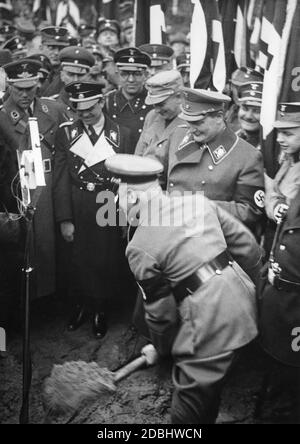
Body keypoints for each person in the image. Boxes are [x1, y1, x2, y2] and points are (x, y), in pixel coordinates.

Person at [105, 153, 261, 424]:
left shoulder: (139, 246)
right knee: (209, 390)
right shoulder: (197, 202)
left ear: (131, 197)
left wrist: (161, 348)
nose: (117, 205)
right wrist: (249, 293)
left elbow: (161, 314)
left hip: (209, 325)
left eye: (118, 197)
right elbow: (248, 249)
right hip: (244, 302)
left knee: (186, 413)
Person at [53, 81, 134, 338]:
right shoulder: (66, 133)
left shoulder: (123, 133)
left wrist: (124, 216)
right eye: (79, 110)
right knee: (76, 257)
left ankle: (101, 308)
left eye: (90, 108)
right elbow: (61, 177)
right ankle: (80, 305)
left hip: (107, 200)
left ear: (101, 102)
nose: (86, 114)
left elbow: (129, 178)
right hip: (78, 201)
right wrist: (65, 217)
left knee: (105, 258)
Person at [0, 59, 66, 301]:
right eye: (19, 89)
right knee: (27, 245)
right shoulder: (3, 117)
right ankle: (29, 300)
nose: (26, 94)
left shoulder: (52, 110)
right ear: (9, 85)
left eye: (31, 87)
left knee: (53, 242)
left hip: (52, 184)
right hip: (19, 189)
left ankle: (52, 295)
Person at [155, 88, 265, 232]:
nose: (191, 129)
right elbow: (158, 179)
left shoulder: (247, 156)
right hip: (169, 231)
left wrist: (200, 207)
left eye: (198, 122)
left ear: (219, 117)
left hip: (209, 238)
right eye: (189, 121)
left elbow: (250, 211)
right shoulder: (178, 135)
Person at [104, 47, 152, 152]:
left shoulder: (153, 102)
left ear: (146, 75)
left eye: (137, 74)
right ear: (117, 74)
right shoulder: (107, 101)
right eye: (125, 74)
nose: (131, 80)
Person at [135, 69, 184, 160]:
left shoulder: (192, 123)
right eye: (154, 104)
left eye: (161, 104)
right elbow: (138, 155)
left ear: (179, 97)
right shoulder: (151, 117)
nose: (157, 110)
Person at [265, 103, 300, 224]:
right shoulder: (290, 159)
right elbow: (274, 195)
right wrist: (276, 207)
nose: (279, 139)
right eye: (279, 132)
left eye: (287, 134)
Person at [236, 81, 263, 150]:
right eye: (245, 108)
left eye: (257, 111)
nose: (248, 116)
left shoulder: (272, 149)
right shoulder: (229, 138)